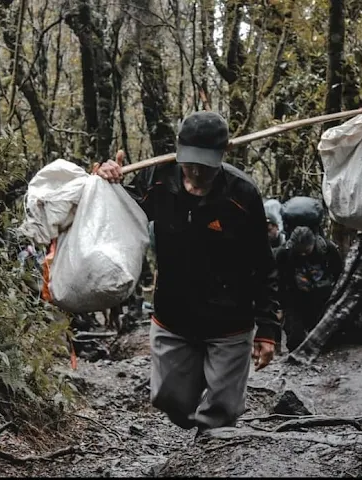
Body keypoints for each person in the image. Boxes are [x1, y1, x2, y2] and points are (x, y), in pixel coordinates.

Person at [95, 110, 280, 434]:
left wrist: (267, 328)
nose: (196, 171)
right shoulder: (159, 180)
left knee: (221, 412)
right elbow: (125, 212)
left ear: (223, 155)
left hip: (229, 321)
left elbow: (262, 263)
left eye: (205, 164)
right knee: (169, 399)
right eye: (189, 161)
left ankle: (210, 454)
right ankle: (201, 430)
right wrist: (108, 182)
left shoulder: (243, 195)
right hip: (174, 317)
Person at [275, 225, 343, 352]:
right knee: (296, 342)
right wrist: (281, 306)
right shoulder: (284, 253)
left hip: (321, 300)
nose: (302, 254)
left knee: (323, 342)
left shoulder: (327, 249)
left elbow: (339, 274)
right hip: (295, 300)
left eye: (306, 251)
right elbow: (279, 281)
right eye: (299, 251)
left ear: (313, 244)